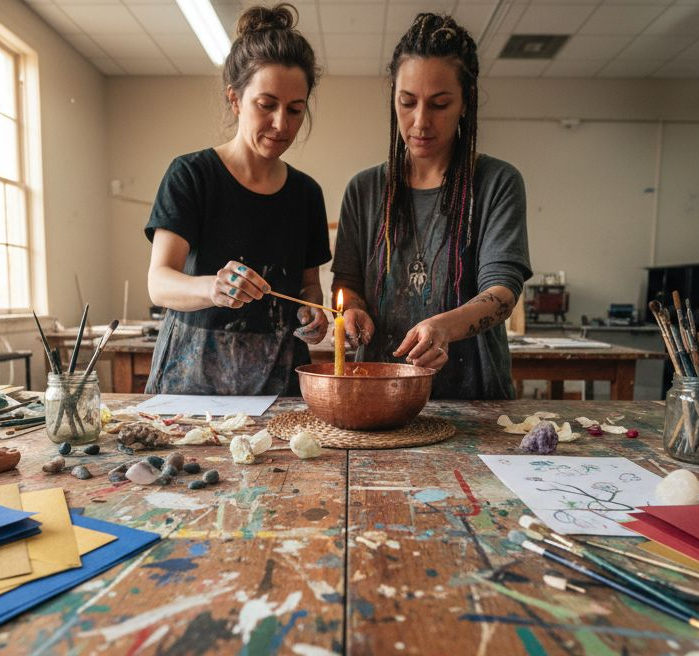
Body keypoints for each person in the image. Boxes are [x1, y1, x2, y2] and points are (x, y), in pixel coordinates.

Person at [332, 12, 532, 399]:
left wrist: (443, 328)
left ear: (465, 102)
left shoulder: (497, 183)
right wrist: (352, 311)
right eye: (407, 102)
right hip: (379, 392)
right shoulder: (365, 189)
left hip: (475, 399)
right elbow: (348, 284)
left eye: (439, 104)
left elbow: (503, 292)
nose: (420, 121)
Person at [145, 4, 330, 395]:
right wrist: (211, 287)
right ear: (235, 99)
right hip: (193, 381)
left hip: (279, 383)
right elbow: (159, 283)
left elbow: (309, 286)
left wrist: (313, 311)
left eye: (295, 110)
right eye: (267, 105)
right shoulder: (192, 175)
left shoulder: (307, 194)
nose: (282, 124)